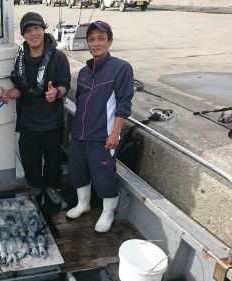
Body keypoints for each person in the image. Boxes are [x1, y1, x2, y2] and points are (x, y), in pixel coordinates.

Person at [66, 21, 134, 233]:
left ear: (110, 41)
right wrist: (73, 130)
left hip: (103, 136)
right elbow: (80, 103)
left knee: (103, 175)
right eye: (92, 39)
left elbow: (124, 104)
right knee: (77, 172)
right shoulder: (85, 71)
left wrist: (115, 133)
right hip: (80, 134)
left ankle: (108, 213)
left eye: (101, 39)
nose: (96, 43)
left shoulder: (121, 68)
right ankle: (83, 204)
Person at [0, 12, 71, 206]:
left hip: (52, 123)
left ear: (43, 29)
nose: (33, 34)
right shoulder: (20, 59)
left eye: (36, 28)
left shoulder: (59, 58)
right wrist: (8, 93)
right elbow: (20, 90)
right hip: (28, 122)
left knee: (53, 161)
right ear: (23, 35)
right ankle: (36, 187)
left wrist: (56, 92)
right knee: (29, 160)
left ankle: (52, 187)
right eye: (28, 30)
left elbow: (66, 85)